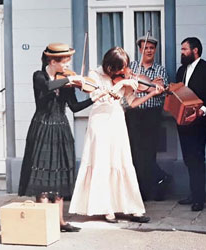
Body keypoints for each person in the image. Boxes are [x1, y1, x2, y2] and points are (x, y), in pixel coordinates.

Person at [69, 47, 164, 223]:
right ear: (110, 67)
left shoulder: (126, 78)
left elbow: (133, 102)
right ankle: (107, 208)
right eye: (121, 68)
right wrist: (121, 84)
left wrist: (151, 92)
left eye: (126, 66)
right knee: (103, 162)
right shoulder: (95, 74)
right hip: (99, 120)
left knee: (122, 161)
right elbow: (100, 96)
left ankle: (131, 207)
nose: (124, 71)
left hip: (117, 119)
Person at [18, 43, 102, 232]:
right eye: (64, 62)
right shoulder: (39, 76)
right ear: (52, 61)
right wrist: (67, 81)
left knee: (60, 175)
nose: (67, 65)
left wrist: (94, 98)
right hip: (42, 127)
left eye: (68, 61)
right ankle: (43, 224)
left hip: (61, 129)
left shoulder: (67, 80)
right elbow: (45, 91)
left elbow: (74, 107)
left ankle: (60, 222)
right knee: (42, 178)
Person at [125, 35, 171, 201]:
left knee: (150, 152)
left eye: (152, 48)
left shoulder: (160, 69)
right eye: (145, 48)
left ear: (155, 50)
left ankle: (154, 187)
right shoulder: (132, 67)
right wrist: (148, 85)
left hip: (152, 114)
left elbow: (162, 92)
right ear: (140, 50)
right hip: (134, 114)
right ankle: (144, 189)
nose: (149, 51)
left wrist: (150, 86)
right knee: (136, 153)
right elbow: (129, 89)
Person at [175, 37, 206, 211]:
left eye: (184, 49)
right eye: (181, 49)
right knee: (188, 157)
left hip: (199, 120)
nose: (182, 52)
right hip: (182, 120)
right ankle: (193, 193)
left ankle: (199, 198)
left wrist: (203, 111)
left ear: (195, 51)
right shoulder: (181, 71)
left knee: (198, 157)